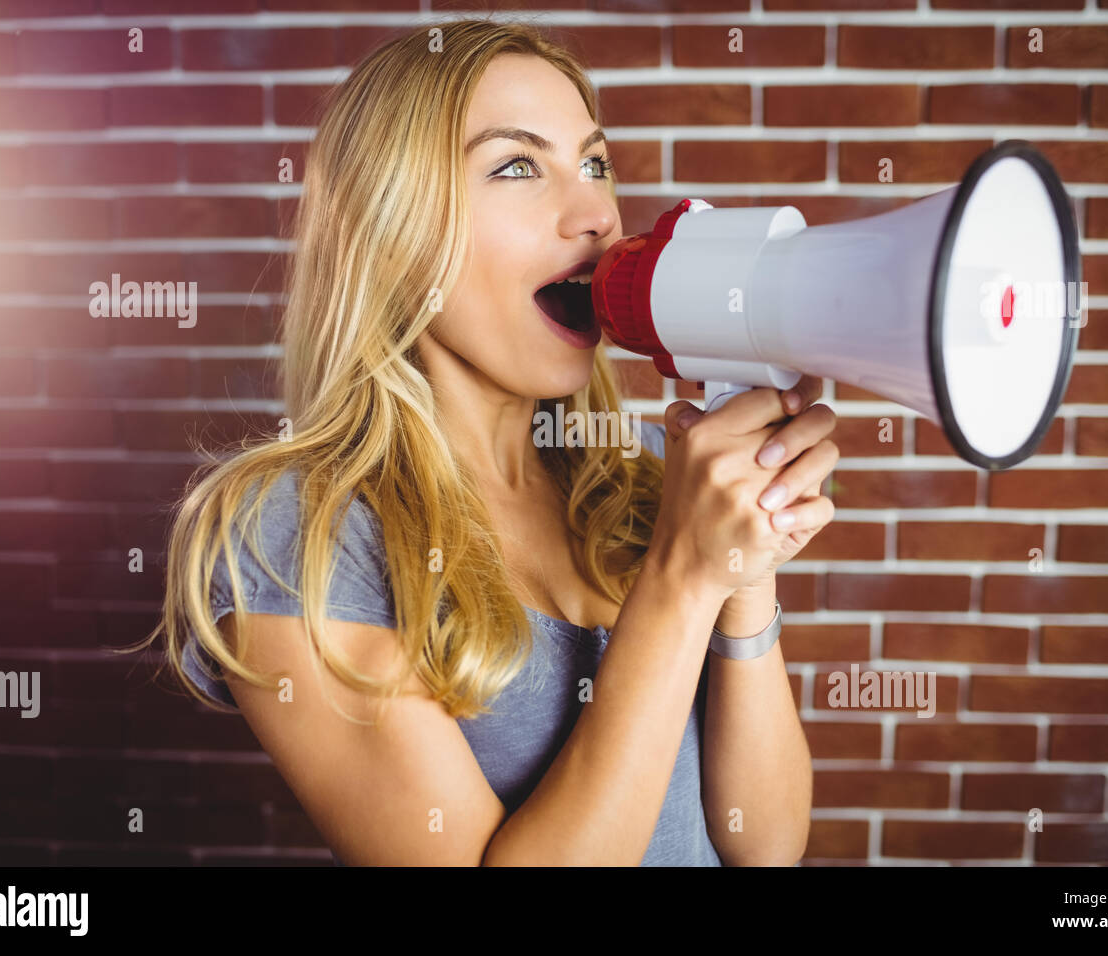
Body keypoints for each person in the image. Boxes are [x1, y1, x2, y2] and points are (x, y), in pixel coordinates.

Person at [130, 18, 839, 866]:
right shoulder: (296, 537)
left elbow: (762, 847)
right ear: (394, 232)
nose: (598, 215)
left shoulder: (649, 473)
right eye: (516, 166)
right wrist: (682, 580)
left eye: (596, 163)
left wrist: (742, 576)